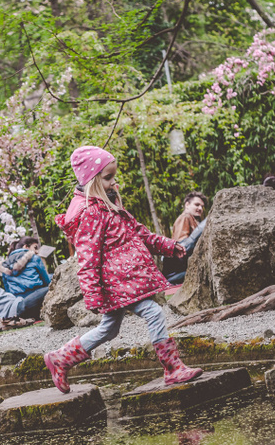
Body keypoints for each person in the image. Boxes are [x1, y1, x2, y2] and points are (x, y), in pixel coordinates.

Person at [43, 146, 202, 393]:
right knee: (154, 313)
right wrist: (92, 293)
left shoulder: (109, 206)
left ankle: (61, 359)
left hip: (124, 281)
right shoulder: (92, 213)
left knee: (110, 328)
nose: (113, 182)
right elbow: (86, 257)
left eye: (113, 176)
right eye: (107, 178)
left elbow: (139, 232)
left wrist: (169, 246)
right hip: (117, 283)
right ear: (91, 180)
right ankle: (173, 368)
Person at [164, 191, 207, 284]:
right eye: (197, 205)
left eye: (202, 206)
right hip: (178, 268)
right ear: (187, 205)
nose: (200, 208)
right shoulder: (185, 217)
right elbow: (182, 245)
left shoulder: (193, 220)